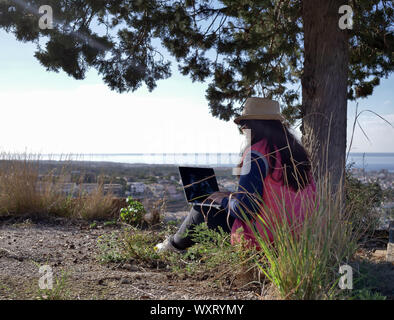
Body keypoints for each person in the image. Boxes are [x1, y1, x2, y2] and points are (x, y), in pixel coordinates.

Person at [155, 97, 316, 253]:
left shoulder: (256, 154)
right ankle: (174, 244)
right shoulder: (296, 152)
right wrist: (232, 196)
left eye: (243, 125)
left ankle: (172, 247)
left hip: (265, 240)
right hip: (299, 239)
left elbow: (246, 210)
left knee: (203, 208)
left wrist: (223, 200)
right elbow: (274, 196)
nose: (242, 130)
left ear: (254, 126)